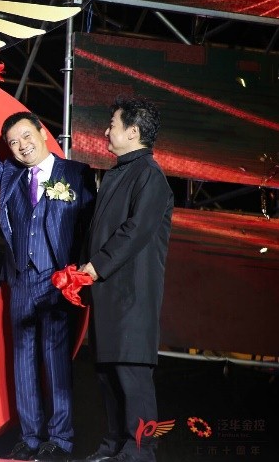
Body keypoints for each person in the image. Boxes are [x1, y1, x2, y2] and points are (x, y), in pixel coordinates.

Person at [0, 85, 95, 462]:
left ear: (42, 133)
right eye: (13, 142)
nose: (22, 146)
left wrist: (83, 270)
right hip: (22, 280)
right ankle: (30, 438)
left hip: (59, 280)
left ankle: (60, 439)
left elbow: (90, 226)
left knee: (55, 359)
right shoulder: (11, 174)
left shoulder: (76, 174)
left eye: (27, 136)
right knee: (24, 360)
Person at [79, 97, 173, 462]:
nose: (107, 131)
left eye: (113, 125)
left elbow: (136, 231)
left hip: (132, 294)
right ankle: (115, 444)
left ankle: (140, 449)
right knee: (108, 371)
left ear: (133, 132)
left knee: (131, 372)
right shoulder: (120, 172)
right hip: (108, 291)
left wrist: (97, 265)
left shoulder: (149, 174)